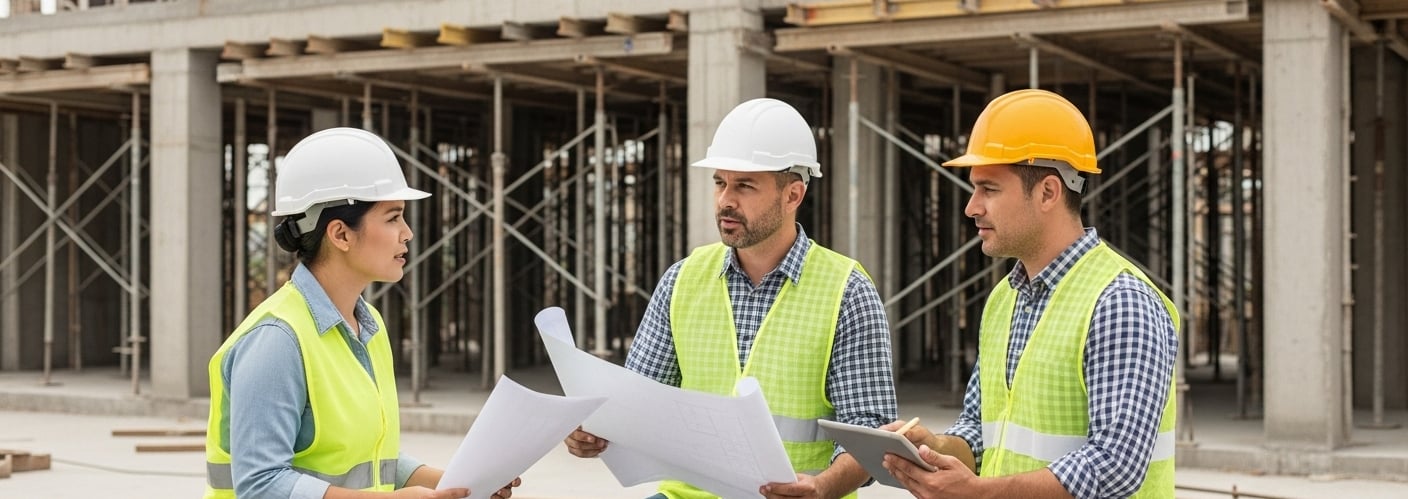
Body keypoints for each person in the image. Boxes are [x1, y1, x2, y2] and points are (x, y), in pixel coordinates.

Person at [563, 98, 898, 499]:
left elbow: (870, 431)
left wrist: (823, 487)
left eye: (745, 185)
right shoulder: (682, 280)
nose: (725, 200)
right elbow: (637, 403)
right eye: (720, 182)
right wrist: (595, 429)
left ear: (793, 195)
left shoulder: (847, 291)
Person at [880, 89, 1179, 499]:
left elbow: (1116, 464)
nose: (971, 207)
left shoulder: (1119, 302)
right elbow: (982, 432)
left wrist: (978, 493)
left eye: (989, 189)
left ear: (1048, 193)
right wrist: (934, 448)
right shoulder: (1005, 298)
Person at [203, 128, 520, 499]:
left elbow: (374, 461)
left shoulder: (367, 324)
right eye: (393, 217)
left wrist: (457, 483)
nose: (408, 233)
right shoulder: (277, 340)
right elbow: (260, 485)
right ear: (340, 234)